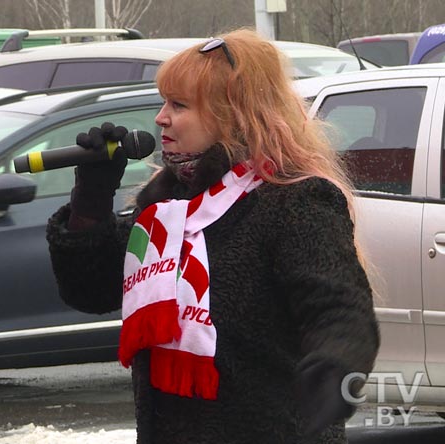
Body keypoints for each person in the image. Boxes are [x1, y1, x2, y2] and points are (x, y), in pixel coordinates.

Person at [46, 28, 379, 444]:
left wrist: (334, 366)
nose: (160, 117)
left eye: (179, 105)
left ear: (234, 114)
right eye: (163, 101)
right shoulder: (167, 207)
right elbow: (90, 292)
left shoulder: (294, 201)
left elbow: (339, 308)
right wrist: (91, 200)